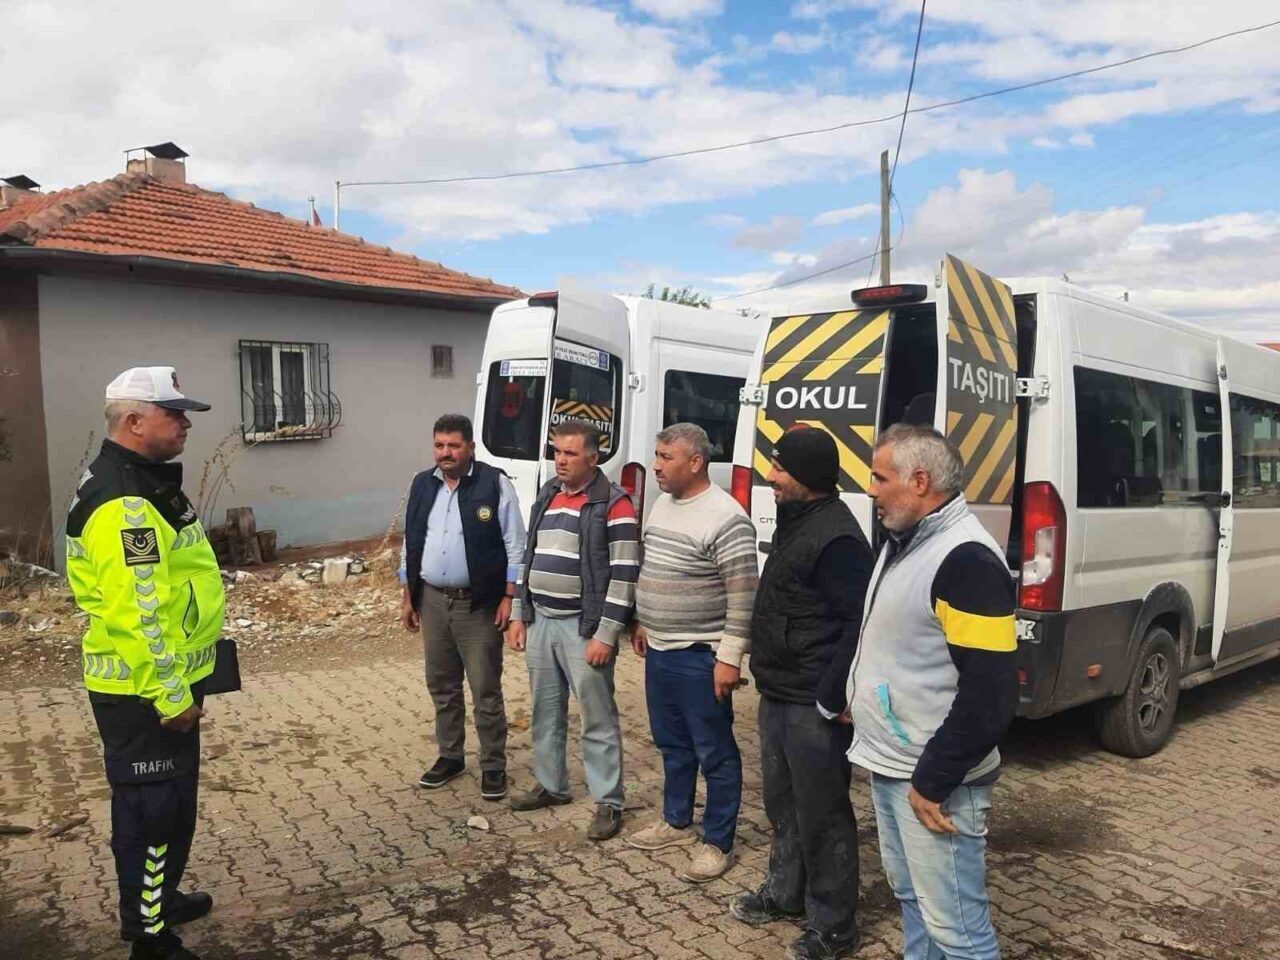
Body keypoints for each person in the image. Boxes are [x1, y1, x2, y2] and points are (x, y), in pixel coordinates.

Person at [66, 367, 224, 960]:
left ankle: (161, 899)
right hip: (145, 695)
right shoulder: (125, 502)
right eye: (174, 414)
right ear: (134, 422)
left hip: (162, 683)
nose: (185, 423)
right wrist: (171, 695)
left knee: (171, 802)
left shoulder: (140, 479)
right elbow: (140, 614)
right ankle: (148, 934)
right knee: (154, 810)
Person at [848, 424, 1017, 960]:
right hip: (894, 761)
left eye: (879, 477)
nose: (870, 489)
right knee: (913, 900)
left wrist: (934, 779)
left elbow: (990, 693)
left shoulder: (965, 560)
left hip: (932, 778)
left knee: (959, 932)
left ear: (919, 481)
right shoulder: (905, 540)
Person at [729, 426, 873, 960]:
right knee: (784, 804)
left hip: (813, 701)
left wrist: (832, 697)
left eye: (780, 468)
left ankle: (834, 927)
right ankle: (786, 894)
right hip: (779, 691)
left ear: (808, 476)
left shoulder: (836, 539)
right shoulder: (797, 521)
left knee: (823, 813)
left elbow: (856, 623)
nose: (770, 476)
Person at [628, 423, 758, 883]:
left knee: (715, 753)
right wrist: (644, 619)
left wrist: (729, 658)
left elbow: (743, 595)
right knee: (672, 744)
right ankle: (677, 819)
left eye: (665, 457)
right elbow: (655, 567)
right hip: (661, 650)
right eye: (657, 455)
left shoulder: (726, 517)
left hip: (700, 656)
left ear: (695, 462)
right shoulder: (663, 504)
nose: (657, 465)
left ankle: (717, 841)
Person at [506, 419, 639, 841]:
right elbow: (528, 556)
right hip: (541, 621)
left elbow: (624, 574)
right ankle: (551, 785)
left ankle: (608, 801)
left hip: (584, 629)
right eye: (556, 452)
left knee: (596, 719)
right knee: (545, 712)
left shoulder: (614, 504)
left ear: (592, 458)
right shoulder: (547, 494)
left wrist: (606, 634)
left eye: (569, 453)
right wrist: (517, 611)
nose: (559, 461)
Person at [399, 414, 526, 800]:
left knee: (485, 688)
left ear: (470, 447)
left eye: (454, 446)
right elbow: (411, 541)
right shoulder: (423, 485)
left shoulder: (493, 484)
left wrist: (509, 597)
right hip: (433, 600)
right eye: (439, 445)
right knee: (442, 685)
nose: (446, 453)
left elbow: (515, 545)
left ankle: (493, 765)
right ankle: (450, 756)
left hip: (480, 605)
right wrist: (408, 595)